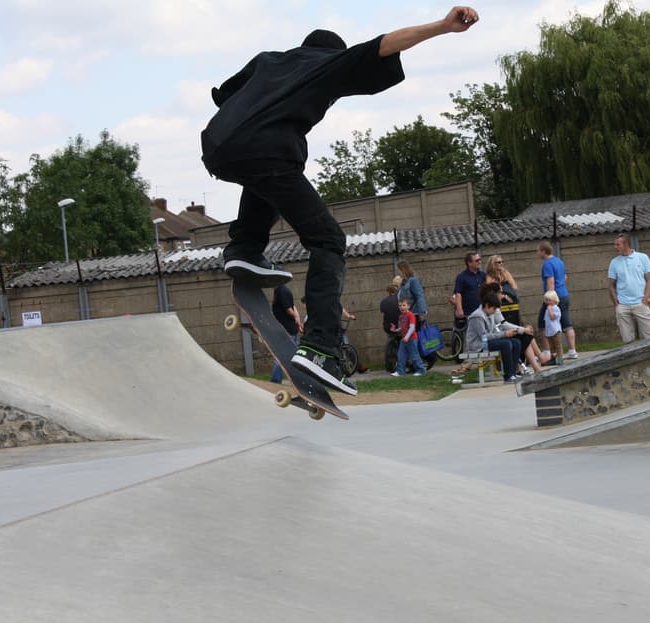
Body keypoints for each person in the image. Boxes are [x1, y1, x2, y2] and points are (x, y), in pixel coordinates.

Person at [200, 7, 480, 397]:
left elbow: (224, 95)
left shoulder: (269, 61)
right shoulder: (328, 64)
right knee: (329, 240)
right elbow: (384, 45)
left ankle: (244, 247)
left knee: (270, 173)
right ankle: (319, 348)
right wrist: (444, 27)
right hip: (265, 150)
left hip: (216, 145)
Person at [607, 234, 650, 343]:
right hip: (623, 305)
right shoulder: (614, 262)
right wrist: (617, 305)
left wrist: (645, 299)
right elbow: (611, 285)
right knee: (627, 338)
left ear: (626, 244)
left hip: (640, 302)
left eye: (618, 244)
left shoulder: (643, 258)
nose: (615, 247)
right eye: (614, 245)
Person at [466, 292, 522, 382]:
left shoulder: (490, 313)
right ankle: (508, 375)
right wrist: (504, 334)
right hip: (478, 345)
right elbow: (484, 337)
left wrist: (506, 333)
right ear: (487, 305)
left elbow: (494, 331)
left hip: (487, 342)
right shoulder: (477, 316)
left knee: (516, 342)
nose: (495, 311)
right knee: (506, 344)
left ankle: (513, 373)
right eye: (494, 308)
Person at [536, 241, 578, 359]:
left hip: (553, 298)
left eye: (538, 251)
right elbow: (565, 277)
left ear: (543, 251)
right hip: (564, 295)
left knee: (542, 323)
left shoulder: (547, 264)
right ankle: (572, 351)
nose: (537, 253)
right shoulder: (559, 261)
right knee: (566, 323)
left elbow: (550, 281)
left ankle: (547, 351)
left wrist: (550, 300)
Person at [269, 284, 302, 384]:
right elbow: (292, 306)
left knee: (281, 355)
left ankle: (276, 380)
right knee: (293, 356)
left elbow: (289, 309)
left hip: (286, 331)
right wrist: (297, 319)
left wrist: (297, 319)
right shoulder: (279, 290)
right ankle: (298, 380)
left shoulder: (281, 291)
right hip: (288, 330)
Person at [390, 298, 425, 376]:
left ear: (408, 306)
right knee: (400, 355)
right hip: (404, 339)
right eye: (400, 306)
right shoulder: (401, 316)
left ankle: (421, 370)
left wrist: (407, 337)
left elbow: (412, 327)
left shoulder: (411, 315)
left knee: (414, 355)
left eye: (404, 305)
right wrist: (395, 330)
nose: (402, 307)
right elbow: (401, 327)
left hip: (412, 339)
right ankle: (400, 371)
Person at [451, 252, 486, 321]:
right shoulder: (461, 277)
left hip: (482, 311)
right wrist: (459, 309)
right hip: (469, 312)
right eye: (476, 260)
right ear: (469, 263)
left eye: (480, 259)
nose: (479, 262)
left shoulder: (483, 275)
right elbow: (458, 293)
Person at [542, 290, 564, 361]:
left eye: (549, 300)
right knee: (551, 346)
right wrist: (545, 330)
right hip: (549, 331)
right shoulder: (547, 309)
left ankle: (560, 359)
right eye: (546, 300)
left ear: (554, 300)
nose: (547, 302)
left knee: (558, 345)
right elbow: (546, 321)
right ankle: (553, 358)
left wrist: (550, 310)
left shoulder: (556, 308)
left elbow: (552, 317)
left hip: (555, 330)